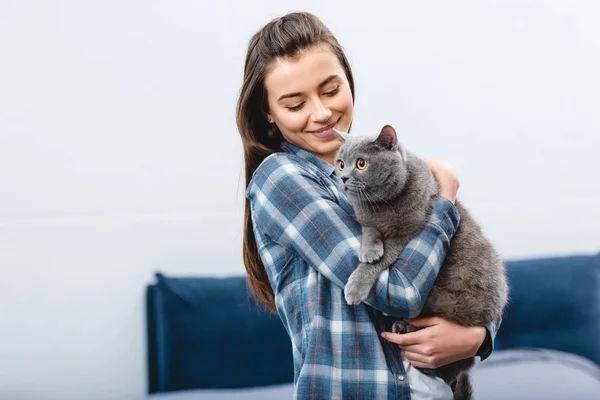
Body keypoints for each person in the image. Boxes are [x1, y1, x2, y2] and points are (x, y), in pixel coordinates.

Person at [237, 12, 501, 399]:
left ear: (347, 77)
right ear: (268, 113)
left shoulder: (377, 164)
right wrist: (444, 198)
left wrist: (478, 337)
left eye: (330, 91)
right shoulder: (281, 180)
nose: (321, 113)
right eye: (295, 104)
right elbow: (401, 292)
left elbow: (468, 267)